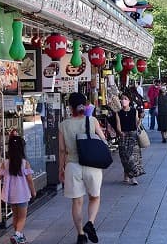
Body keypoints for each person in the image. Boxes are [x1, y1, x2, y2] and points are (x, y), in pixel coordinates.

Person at [58, 93, 106, 244]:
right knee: (95, 197)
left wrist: (61, 168)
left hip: (72, 166)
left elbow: (62, 150)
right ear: (85, 106)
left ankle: (80, 235)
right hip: (92, 165)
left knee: (77, 202)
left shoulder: (64, 125)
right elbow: (103, 139)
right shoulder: (92, 121)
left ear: (70, 107)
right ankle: (90, 223)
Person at [0, 135, 36, 244]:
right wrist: (33, 191)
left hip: (11, 194)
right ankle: (17, 235)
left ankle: (18, 237)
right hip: (22, 194)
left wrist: (4, 172)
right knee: (22, 218)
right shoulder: (24, 163)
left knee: (15, 216)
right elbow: (29, 180)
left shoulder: (5, 163)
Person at [115, 93, 145, 185]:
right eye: (122, 99)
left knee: (133, 158)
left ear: (129, 101)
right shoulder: (118, 113)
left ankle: (133, 177)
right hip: (123, 136)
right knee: (125, 157)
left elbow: (136, 124)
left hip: (133, 136)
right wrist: (120, 132)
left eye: (125, 99)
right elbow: (118, 125)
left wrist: (140, 118)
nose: (123, 100)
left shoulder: (134, 111)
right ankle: (126, 174)